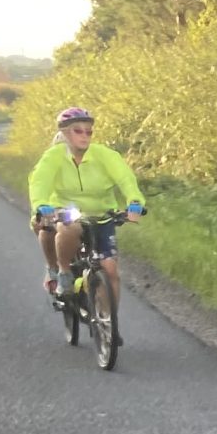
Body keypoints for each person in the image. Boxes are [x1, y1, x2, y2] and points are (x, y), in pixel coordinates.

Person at [27, 107, 146, 328]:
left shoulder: (105, 155)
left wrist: (135, 201)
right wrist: (41, 205)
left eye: (88, 132)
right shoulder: (54, 156)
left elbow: (126, 179)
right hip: (66, 211)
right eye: (77, 131)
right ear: (64, 133)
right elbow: (40, 181)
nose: (84, 136)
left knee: (110, 269)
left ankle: (107, 321)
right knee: (66, 228)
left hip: (102, 214)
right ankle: (62, 272)